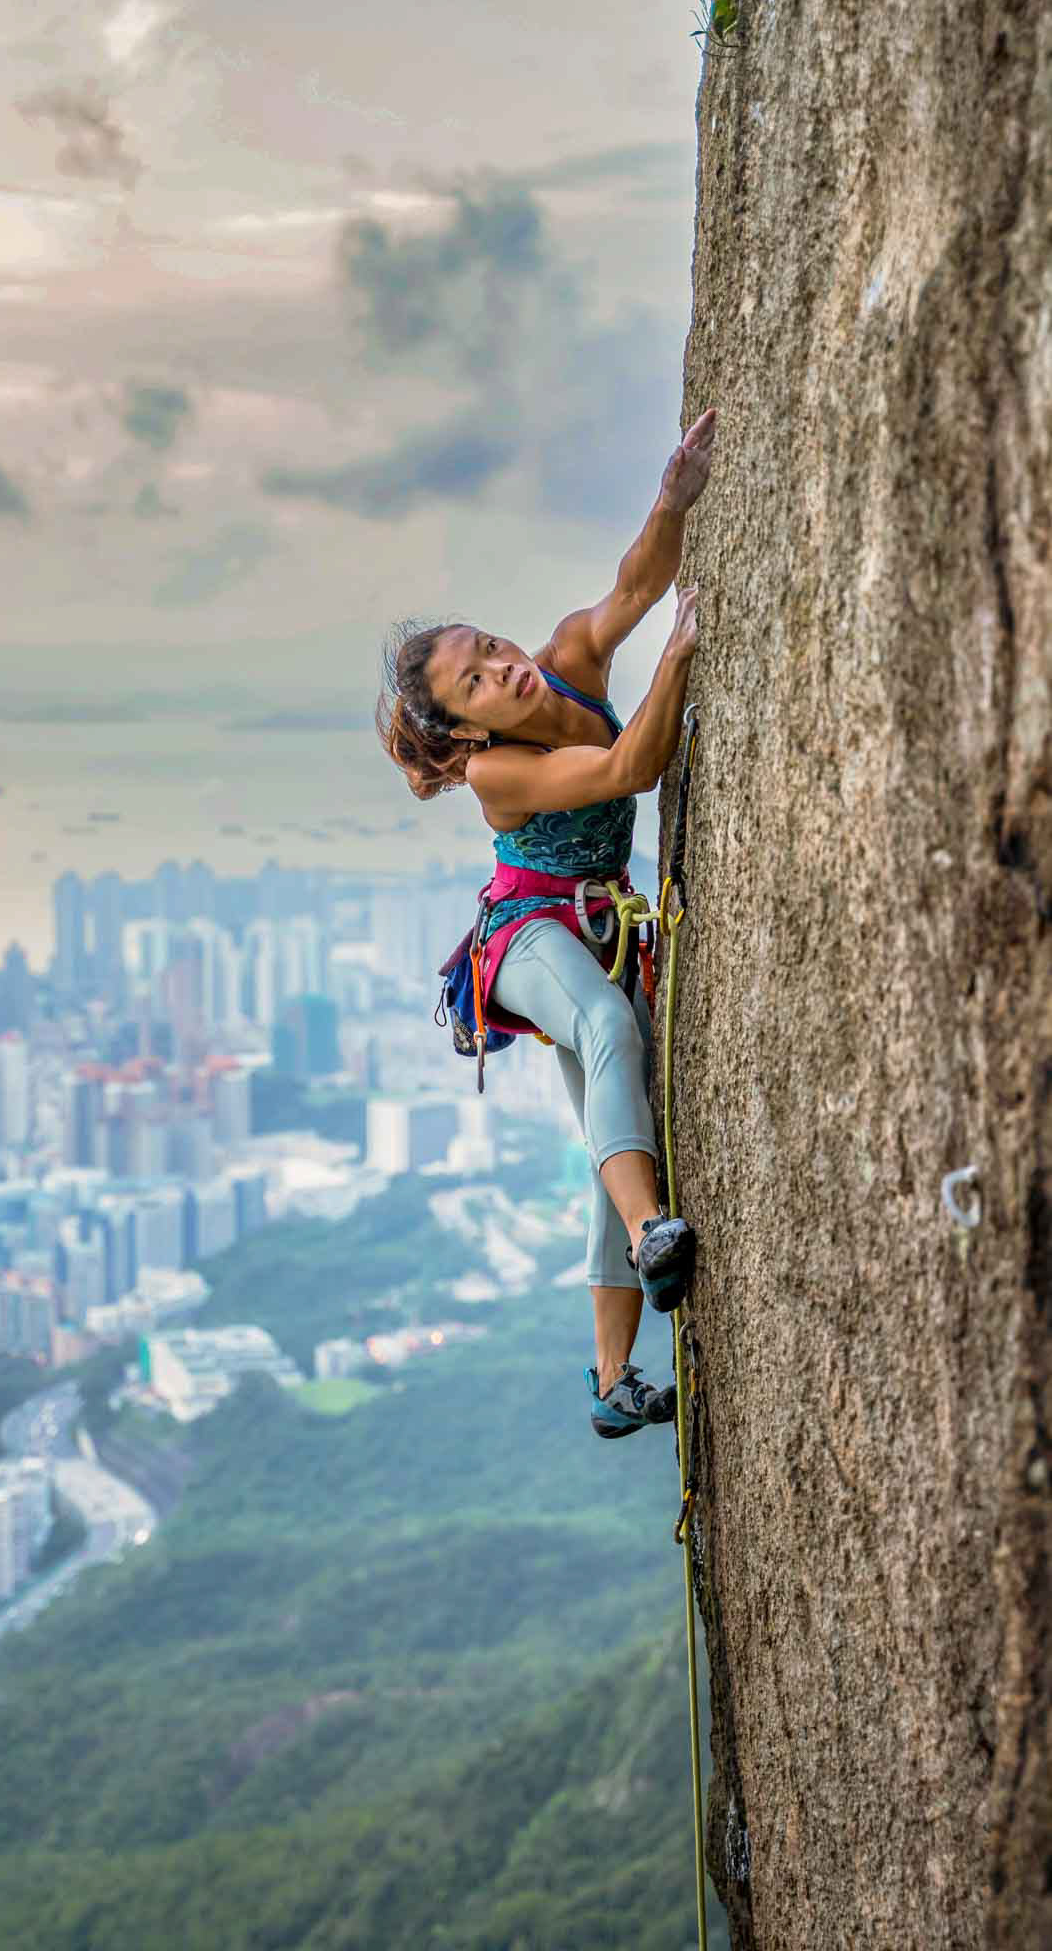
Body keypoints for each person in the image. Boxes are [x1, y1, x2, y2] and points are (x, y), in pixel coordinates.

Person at [376, 408, 716, 1440]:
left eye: (489, 646)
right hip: (524, 936)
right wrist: (679, 661)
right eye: (474, 681)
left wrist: (672, 499)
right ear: (465, 725)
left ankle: (611, 1380)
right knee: (608, 1028)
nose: (502, 667)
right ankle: (652, 1235)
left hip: (593, 925)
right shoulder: (498, 772)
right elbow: (628, 768)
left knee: (622, 1133)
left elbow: (632, 588)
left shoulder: (565, 657)